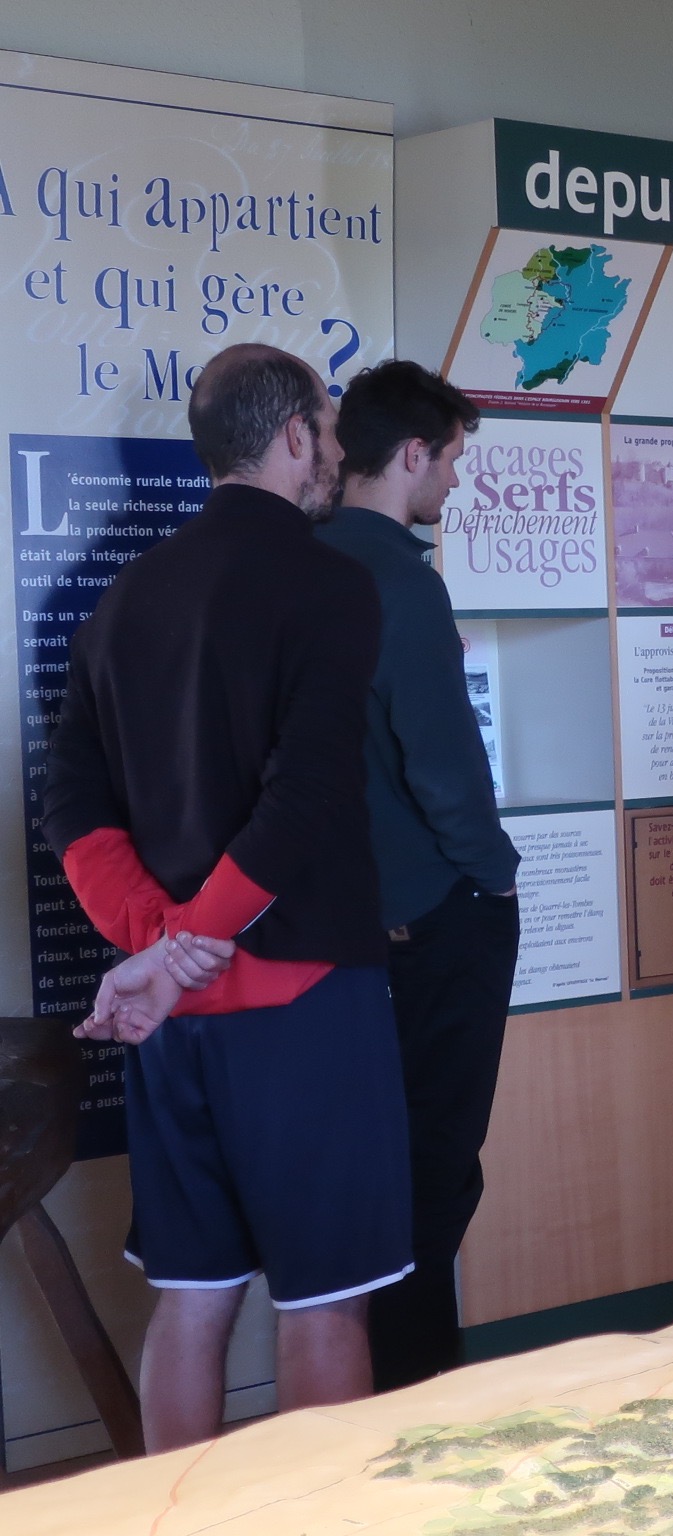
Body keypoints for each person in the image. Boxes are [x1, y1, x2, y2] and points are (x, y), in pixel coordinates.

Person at [43, 344, 407, 1449]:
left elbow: (73, 808)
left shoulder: (122, 598)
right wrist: (190, 942)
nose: (337, 450)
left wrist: (157, 948)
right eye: (329, 429)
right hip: (306, 999)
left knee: (192, 1297)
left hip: (173, 1018)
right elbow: (305, 800)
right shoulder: (332, 583)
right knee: (323, 1301)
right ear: (295, 436)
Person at [314, 361, 518, 1391]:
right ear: (411, 454)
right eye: (452, 458)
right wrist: (496, 880)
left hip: (334, 931)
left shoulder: (301, 564)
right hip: (434, 922)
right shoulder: (402, 581)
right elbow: (444, 767)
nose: (455, 480)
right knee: (434, 1179)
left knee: (360, 1181)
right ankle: (423, 1402)